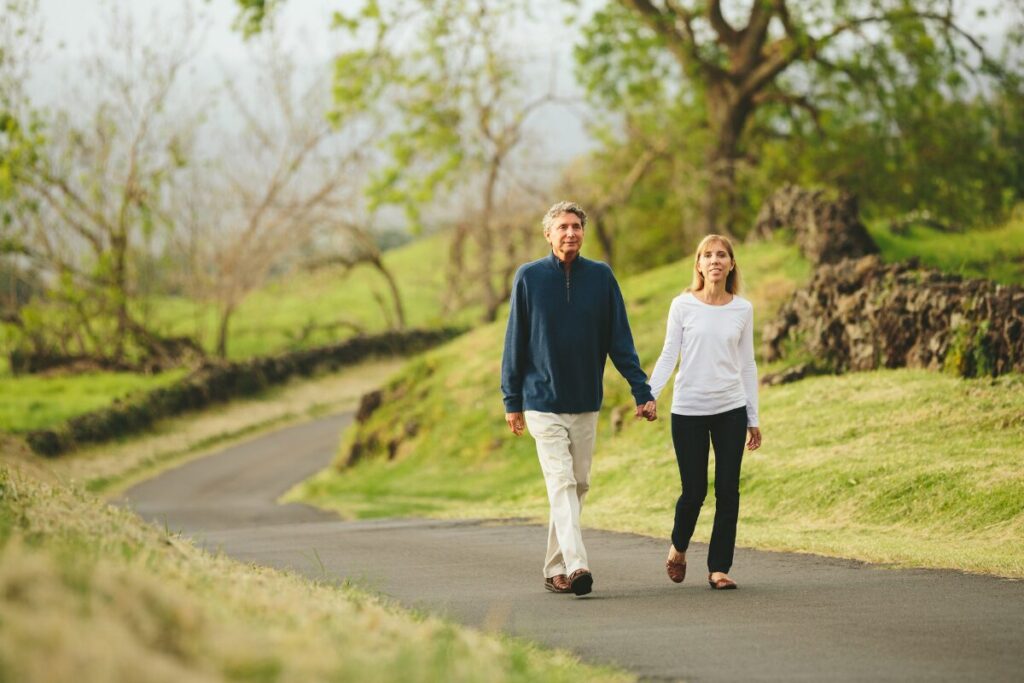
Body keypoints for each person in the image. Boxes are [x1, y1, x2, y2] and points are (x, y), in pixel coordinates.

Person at [501, 200, 656, 597]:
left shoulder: (601, 277)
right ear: (548, 234)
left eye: (576, 226)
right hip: (541, 401)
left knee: (578, 484)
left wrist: (641, 390)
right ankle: (577, 564)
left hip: (586, 400)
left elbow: (619, 340)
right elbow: (514, 341)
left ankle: (555, 566)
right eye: (562, 227)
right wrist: (511, 400)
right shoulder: (529, 278)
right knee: (561, 481)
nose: (570, 233)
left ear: (583, 232)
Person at [642, 234, 762, 590]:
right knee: (693, 491)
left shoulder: (742, 309)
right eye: (707, 255)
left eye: (721, 255)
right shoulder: (682, 306)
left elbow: (748, 364)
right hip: (689, 409)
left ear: (731, 264)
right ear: (698, 264)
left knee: (728, 490)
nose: (715, 260)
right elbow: (668, 355)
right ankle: (678, 548)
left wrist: (752, 417)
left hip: (730, 409)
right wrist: (650, 395)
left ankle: (719, 568)